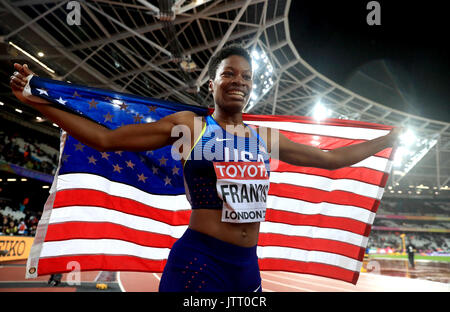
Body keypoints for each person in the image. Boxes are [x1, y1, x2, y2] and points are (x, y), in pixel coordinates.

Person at [10, 44, 402, 292]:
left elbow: (331, 160)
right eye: (229, 74)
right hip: (199, 263)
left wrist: (384, 142)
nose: (239, 81)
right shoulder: (190, 126)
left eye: (246, 77)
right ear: (211, 84)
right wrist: (40, 103)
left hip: (246, 270)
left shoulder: (263, 138)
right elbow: (107, 141)